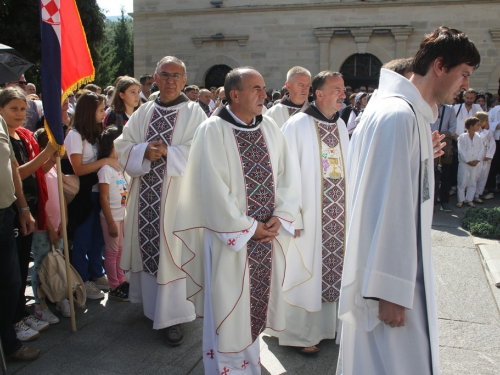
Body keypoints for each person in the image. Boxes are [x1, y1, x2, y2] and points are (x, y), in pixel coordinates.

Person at [338, 26, 480, 375]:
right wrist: (389, 290)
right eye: (463, 75)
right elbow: (387, 205)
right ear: (440, 65)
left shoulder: (403, 111)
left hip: (397, 267)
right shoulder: (398, 115)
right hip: (391, 279)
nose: (465, 86)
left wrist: (420, 159)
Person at [173, 66, 299, 375]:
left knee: (253, 306)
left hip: (265, 237)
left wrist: (278, 218)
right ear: (234, 94)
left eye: (263, 88)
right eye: (256, 88)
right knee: (229, 305)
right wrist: (250, 227)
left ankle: (250, 363)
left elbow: (288, 177)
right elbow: (211, 189)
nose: (264, 94)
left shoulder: (269, 128)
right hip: (229, 239)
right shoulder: (212, 131)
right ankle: (225, 369)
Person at [115, 56, 205, 346]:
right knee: (150, 250)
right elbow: (123, 145)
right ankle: (152, 309)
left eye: (176, 75)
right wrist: (143, 151)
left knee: (174, 254)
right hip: (145, 199)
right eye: (165, 74)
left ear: (184, 79)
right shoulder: (143, 112)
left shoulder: (195, 113)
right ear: (155, 77)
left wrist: (168, 153)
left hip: (178, 200)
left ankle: (175, 317)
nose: (170, 81)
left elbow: (203, 153)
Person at [274, 71, 349, 354]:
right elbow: (283, 175)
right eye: (336, 89)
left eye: (344, 89)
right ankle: (301, 334)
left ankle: (328, 328)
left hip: (337, 219)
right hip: (307, 219)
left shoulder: (340, 125)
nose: (343, 94)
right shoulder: (296, 125)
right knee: (304, 271)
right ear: (318, 93)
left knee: (333, 271)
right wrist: (292, 216)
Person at [0, 87, 58, 341]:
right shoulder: (6, 140)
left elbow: (37, 171)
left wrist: (52, 157)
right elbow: (18, 174)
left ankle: (20, 313)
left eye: (23, 109)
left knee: (23, 264)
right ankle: (12, 320)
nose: (20, 114)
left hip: (31, 208)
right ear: (1, 110)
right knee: (11, 271)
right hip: (12, 211)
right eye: (13, 109)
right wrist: (45, 154)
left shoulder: (24, 136)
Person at [64, 92, 119, 299]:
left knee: (98, 238)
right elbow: (78, 168)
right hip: (84, 195)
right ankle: (82, 279)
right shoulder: (74, 135)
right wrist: (104, 162)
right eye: (101, 109)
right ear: (89, 111)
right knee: (83, 239)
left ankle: (97, 273)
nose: (104, 113)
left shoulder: (96, 133)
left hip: (100, 192)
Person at [0, 114, 40, 361]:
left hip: (5, 215)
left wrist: (23, 208)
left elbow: (12, 167)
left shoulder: (0, 122)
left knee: (11, 283)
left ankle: (9, 343)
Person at [31, 128, 69, 321]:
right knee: (42, 265)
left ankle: (59, 296)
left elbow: (60, 196)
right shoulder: (40, 170)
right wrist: (50, 228)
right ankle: (40, 303)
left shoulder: (55, 167)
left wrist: (63, 221)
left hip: (58, 224)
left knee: (57, 261)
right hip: (43, 228)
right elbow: (40, 201)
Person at [98, 126, 129, 301]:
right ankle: (114, 285)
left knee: (120, 250)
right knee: (111, 252)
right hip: (111, 218)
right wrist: (110, 222)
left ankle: (122, 281)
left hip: (121, 217)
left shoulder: (118, 167)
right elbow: (103, 198)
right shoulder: (105, 169)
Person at [430, 103, 457, 212]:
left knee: (445, 174)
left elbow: (453, 129)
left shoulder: (450, 109)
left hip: (445, 144)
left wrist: (441, 134)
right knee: (432, 174)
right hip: (430, 143)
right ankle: (432, 202)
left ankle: (444, 201)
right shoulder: (428, 105)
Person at [457, 117, 483, 208]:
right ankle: (461, 199)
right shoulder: (462, 137)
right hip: (465, 163)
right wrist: (468, 161)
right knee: (462, 181)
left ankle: (469, 199)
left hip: (475, 163)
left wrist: (477, 160)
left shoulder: (479, 137)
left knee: (473, 181)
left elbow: (481, 149)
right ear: (471, 126)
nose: (479, 126)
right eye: (477, 125)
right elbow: (461, 151)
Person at [474, 112, 496, 202]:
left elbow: (492, 144)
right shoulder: (475, 130)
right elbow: (479, 139)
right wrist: (485, 131)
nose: (487, 122)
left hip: (486, 159)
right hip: (477, 158)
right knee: (475, 177)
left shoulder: (489, 132)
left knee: (483, 177)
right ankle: (471, 195)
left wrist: (489, 155)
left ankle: (478, 194)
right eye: (486, 120)